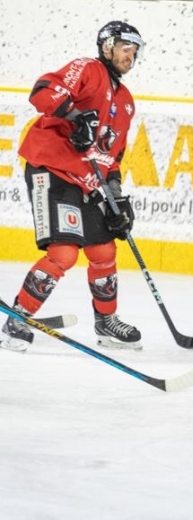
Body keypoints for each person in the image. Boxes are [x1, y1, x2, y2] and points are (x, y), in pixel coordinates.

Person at [0, 21, 143, 352]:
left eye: (135, 52)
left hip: (88, 180)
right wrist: (77, 115)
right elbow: (42, 92)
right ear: (107, 46)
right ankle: (17, 319)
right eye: (125, 48)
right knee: (63, 253)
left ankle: (106, 323)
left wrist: (115, 197)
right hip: (51, 170)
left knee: (104, 250)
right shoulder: (88, 69)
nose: (131, 56)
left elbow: (113, 157)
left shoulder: (126, 101)